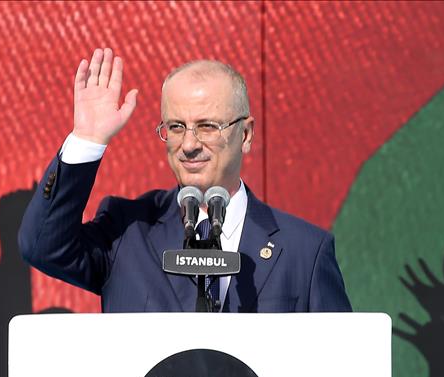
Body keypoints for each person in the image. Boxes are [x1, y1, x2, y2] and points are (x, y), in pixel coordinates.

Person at [19, 48, 351, 312]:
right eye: (176, 127)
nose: (189, 144)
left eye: (207, 126)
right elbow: (42, 246)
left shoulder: (304, 252)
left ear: (246, 134)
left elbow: (339, 366)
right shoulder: (127, 233)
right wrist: (88, 139)